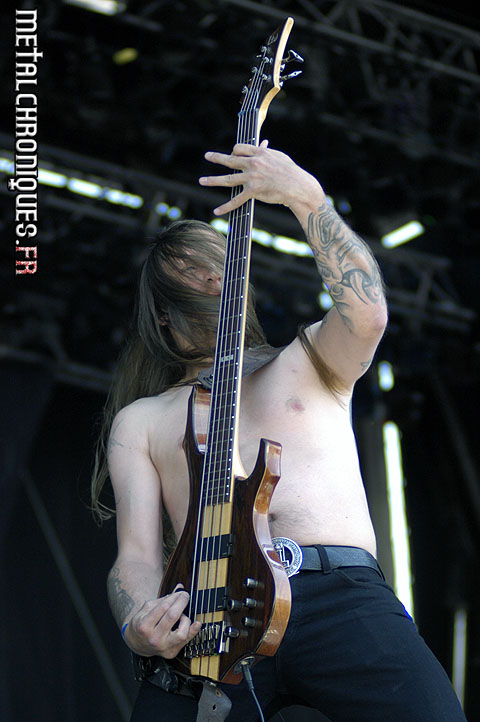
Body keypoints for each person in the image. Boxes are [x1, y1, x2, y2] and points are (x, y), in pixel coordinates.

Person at [92, 141, 468, 722]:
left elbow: (368, 313)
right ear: (163, 312)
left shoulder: (308, 356)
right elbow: (136, 555)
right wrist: (138, 618)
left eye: (217, 264)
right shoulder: (141, 419)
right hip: (209, 610)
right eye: (188, 271)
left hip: (336, 592)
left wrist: (305, 197)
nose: (209, 277)